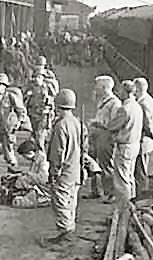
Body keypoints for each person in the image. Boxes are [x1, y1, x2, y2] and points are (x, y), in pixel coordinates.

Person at [42, 88, 82, 247]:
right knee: (71, 201)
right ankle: (67, 232)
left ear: (58, 106)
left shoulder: (61, 126)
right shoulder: (77, 122)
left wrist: (54, 172)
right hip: (75, 169)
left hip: (64, 171)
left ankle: (66, 236)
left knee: (61, 202)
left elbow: (57, 152)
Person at [107, 80, 143, 203]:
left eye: (120, 91)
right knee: (130, 177)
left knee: (121, 181)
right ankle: (132, 205)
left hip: (124, 147)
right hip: (134, 145)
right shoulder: (137, 106)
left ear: (125, 92)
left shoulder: (125, 109)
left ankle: (124, 208)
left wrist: (104, 124)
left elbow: (112, 126)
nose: (118, 93)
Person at [88, 75, 122, 202]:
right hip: (97, 135)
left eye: (97, 87)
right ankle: (96, 190)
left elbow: (113, 124)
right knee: (93, 163)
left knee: (106, 164)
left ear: (104, 87)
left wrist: (98, 123)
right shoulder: (102, 101)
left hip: (106, 137)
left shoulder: (115, 103)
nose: (95, 89)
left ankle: (111, 193)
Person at [0, 73, 31, 169]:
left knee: (9, 148)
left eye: (1, 85)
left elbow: (21, 110)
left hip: (8, 127)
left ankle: (13, 167)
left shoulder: (10, 96)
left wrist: (18, 123)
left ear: (5, 86)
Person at [134, 77, 153, 195]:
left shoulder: (143, 103)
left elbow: (149, 124)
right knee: (141, 169)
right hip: (147, 140)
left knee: (141, 170)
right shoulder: (149, 100)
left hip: (144, 141)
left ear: (137, 89)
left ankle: (141, 195)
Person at [25, 69, 54, 152]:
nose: (37, 79)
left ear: (42, 78)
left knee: (40, 135)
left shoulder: (46, 88)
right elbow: (26, 101)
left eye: (39, 77)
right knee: (35, 135)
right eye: (35, 77)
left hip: (43, 115)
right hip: (33, 115)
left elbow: (51, 102)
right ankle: (38, 153)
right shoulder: (31, 88)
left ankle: (41, 154)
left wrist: (48, 111)